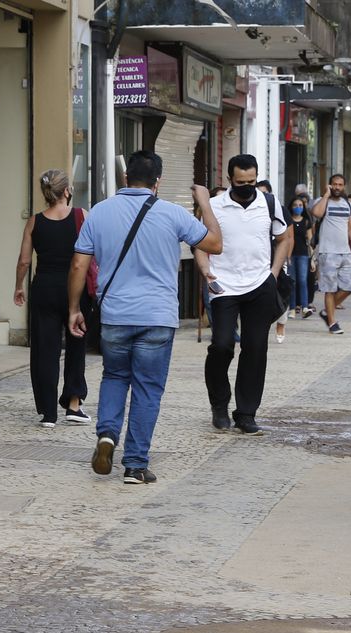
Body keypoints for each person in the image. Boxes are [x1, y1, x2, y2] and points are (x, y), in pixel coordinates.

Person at [67, 150, 223, 484]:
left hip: (115, 315)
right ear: (158, 181)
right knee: (147, 389)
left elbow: (79, 264)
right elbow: (215, 243)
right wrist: (206, 205)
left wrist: (74, 309)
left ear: (126, 179)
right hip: (157, 316)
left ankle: (107, 435)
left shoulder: (100, 213)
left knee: (114, 377)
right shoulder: (173, 214)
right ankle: (135, 466)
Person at [198, 154, 291, 435]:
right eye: (241, 183)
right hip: (223, 285)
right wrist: (205, 271)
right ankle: (219, 404)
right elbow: (200, 243)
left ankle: (246, 413)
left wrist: (273, 273)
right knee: (222, 345)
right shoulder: (214, 206)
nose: (247, 186)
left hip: (259, 283)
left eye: (251, 182)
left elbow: (284, 238)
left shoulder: (269, 203)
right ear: (229, 180)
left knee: (255, 348)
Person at [14, 169, 91, 428]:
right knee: (76, 345)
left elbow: (25, 260)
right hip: (75, 288)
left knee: (45, 350)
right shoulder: (81, 216)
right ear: (67, 191)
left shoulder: (35, 221)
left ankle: (48, 413)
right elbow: (92, 253)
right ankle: (73, 404)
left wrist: (18, 287)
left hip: (44, 288)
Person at [310, 174, 351, 334]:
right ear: (329, 185)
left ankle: (326, 311)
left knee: (350, 285)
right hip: (327, 252)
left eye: (340, 184)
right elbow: (316, 213)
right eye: (334, 184)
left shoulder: (348, 204)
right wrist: (326, 195)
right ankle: (332, 323)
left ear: (344, 186)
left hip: (345, 252)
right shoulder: (323, 201)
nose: (337, 187)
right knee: (329, 289)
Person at [288, 195, 315, 319]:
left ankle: (305, 307)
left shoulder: (306, 221)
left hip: (303, 255)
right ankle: (292, 308)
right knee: (292, 282)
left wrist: (313, 260)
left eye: (300, 205)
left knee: (302, 281)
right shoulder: (288, 221)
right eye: (295, 205)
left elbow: (310, 242)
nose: (298, 208)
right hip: (290, 255)